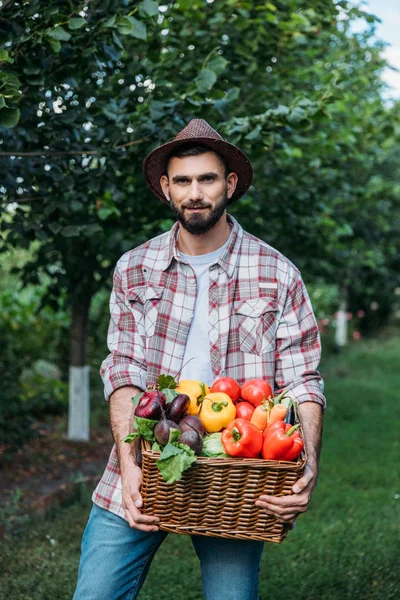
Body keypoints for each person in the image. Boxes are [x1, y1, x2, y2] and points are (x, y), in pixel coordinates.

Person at [73, 119, 325, 600]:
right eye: (183, 181)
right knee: (96, 594)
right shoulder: (134, 268)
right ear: (166, 188)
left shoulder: (277, 272)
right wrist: (130, 466)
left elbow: (302, 380)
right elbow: (124, 370)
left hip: (238, 471)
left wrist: (307, 462)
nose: (195, 193)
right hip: (146, 460)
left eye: (207, 179)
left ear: (228, 184)